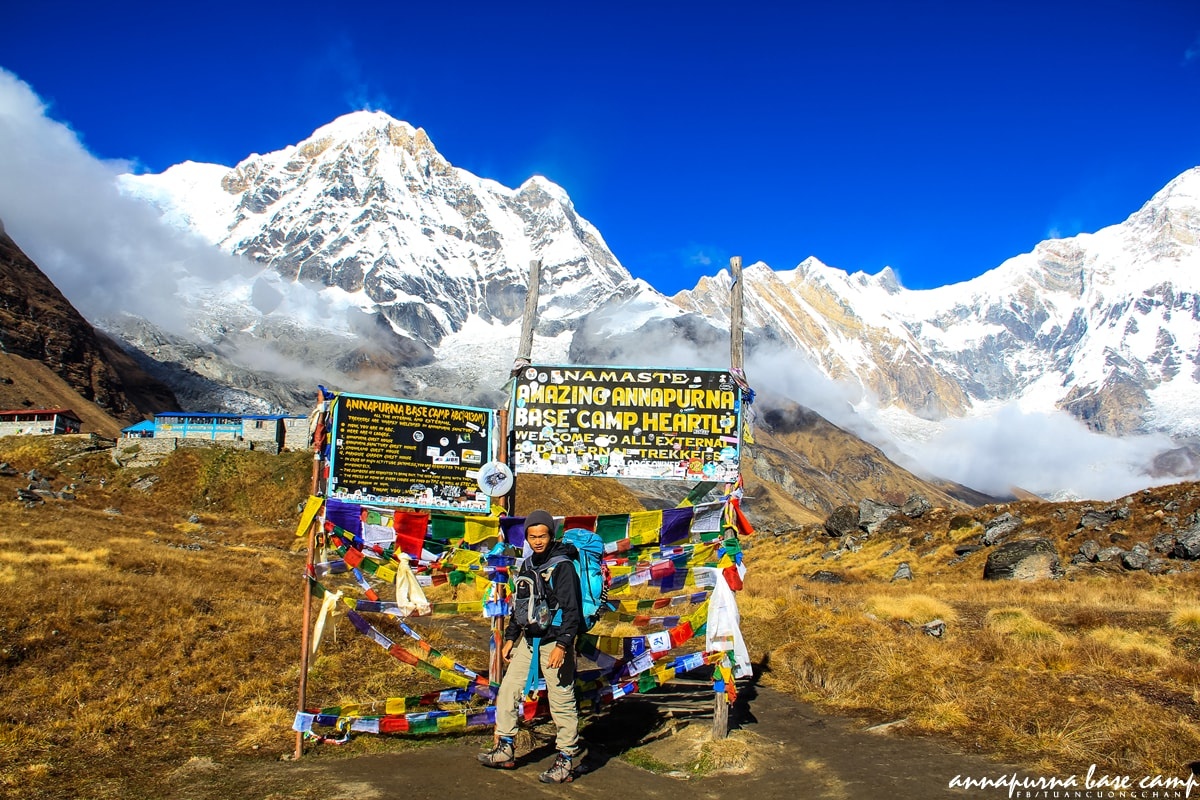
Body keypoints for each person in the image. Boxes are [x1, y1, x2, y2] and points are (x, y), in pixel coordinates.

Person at [477, 509, 583, 783]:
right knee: (508, 690)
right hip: (529, 640)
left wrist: (563, 645)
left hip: (555, 643)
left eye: (542, 535)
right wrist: (511, 637)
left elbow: (573, 610)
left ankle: (566, 759)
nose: (537, 541)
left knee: (561, 701)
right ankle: (505, 748)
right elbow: (520, 607)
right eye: (532, 536)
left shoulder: (564, 567)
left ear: (551, 535)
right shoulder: (527, 565)